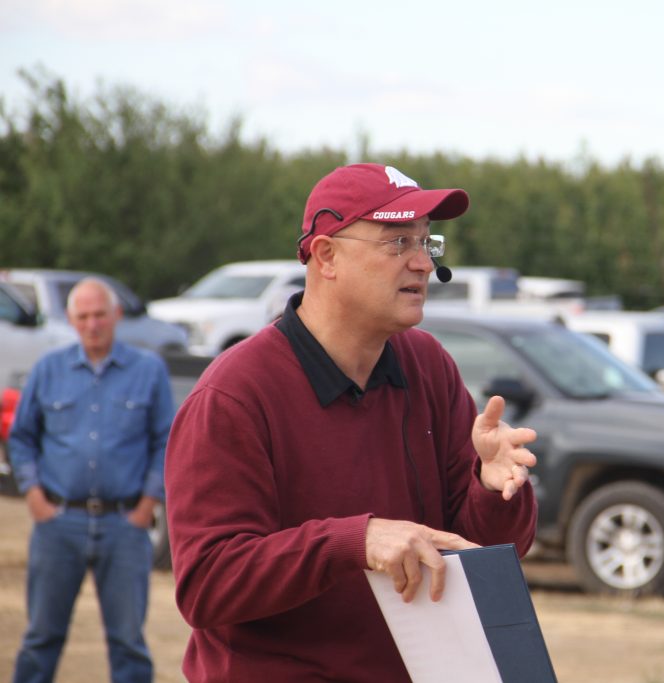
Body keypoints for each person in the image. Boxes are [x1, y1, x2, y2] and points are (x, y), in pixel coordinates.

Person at [164, 163, 538, 682]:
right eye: (396, 242)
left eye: (426, 243)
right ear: (326, 255)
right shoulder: (234, 394)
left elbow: (476, 554)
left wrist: (493, 489)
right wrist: (352, 543)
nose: (422, 264)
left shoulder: (429, 366)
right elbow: (207, 585)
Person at [8, 277, 175, 683]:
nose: (93, 324)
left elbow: (167, 440)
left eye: (100, 314)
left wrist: (147, 504)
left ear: (117, 315)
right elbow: (22, 437)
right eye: (83, 316)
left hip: (125, 525)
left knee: (128, 642)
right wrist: (32, 494)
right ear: (70, 320)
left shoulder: (148, 370)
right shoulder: (49, 369)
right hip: (58, 522)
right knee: (41, 638)